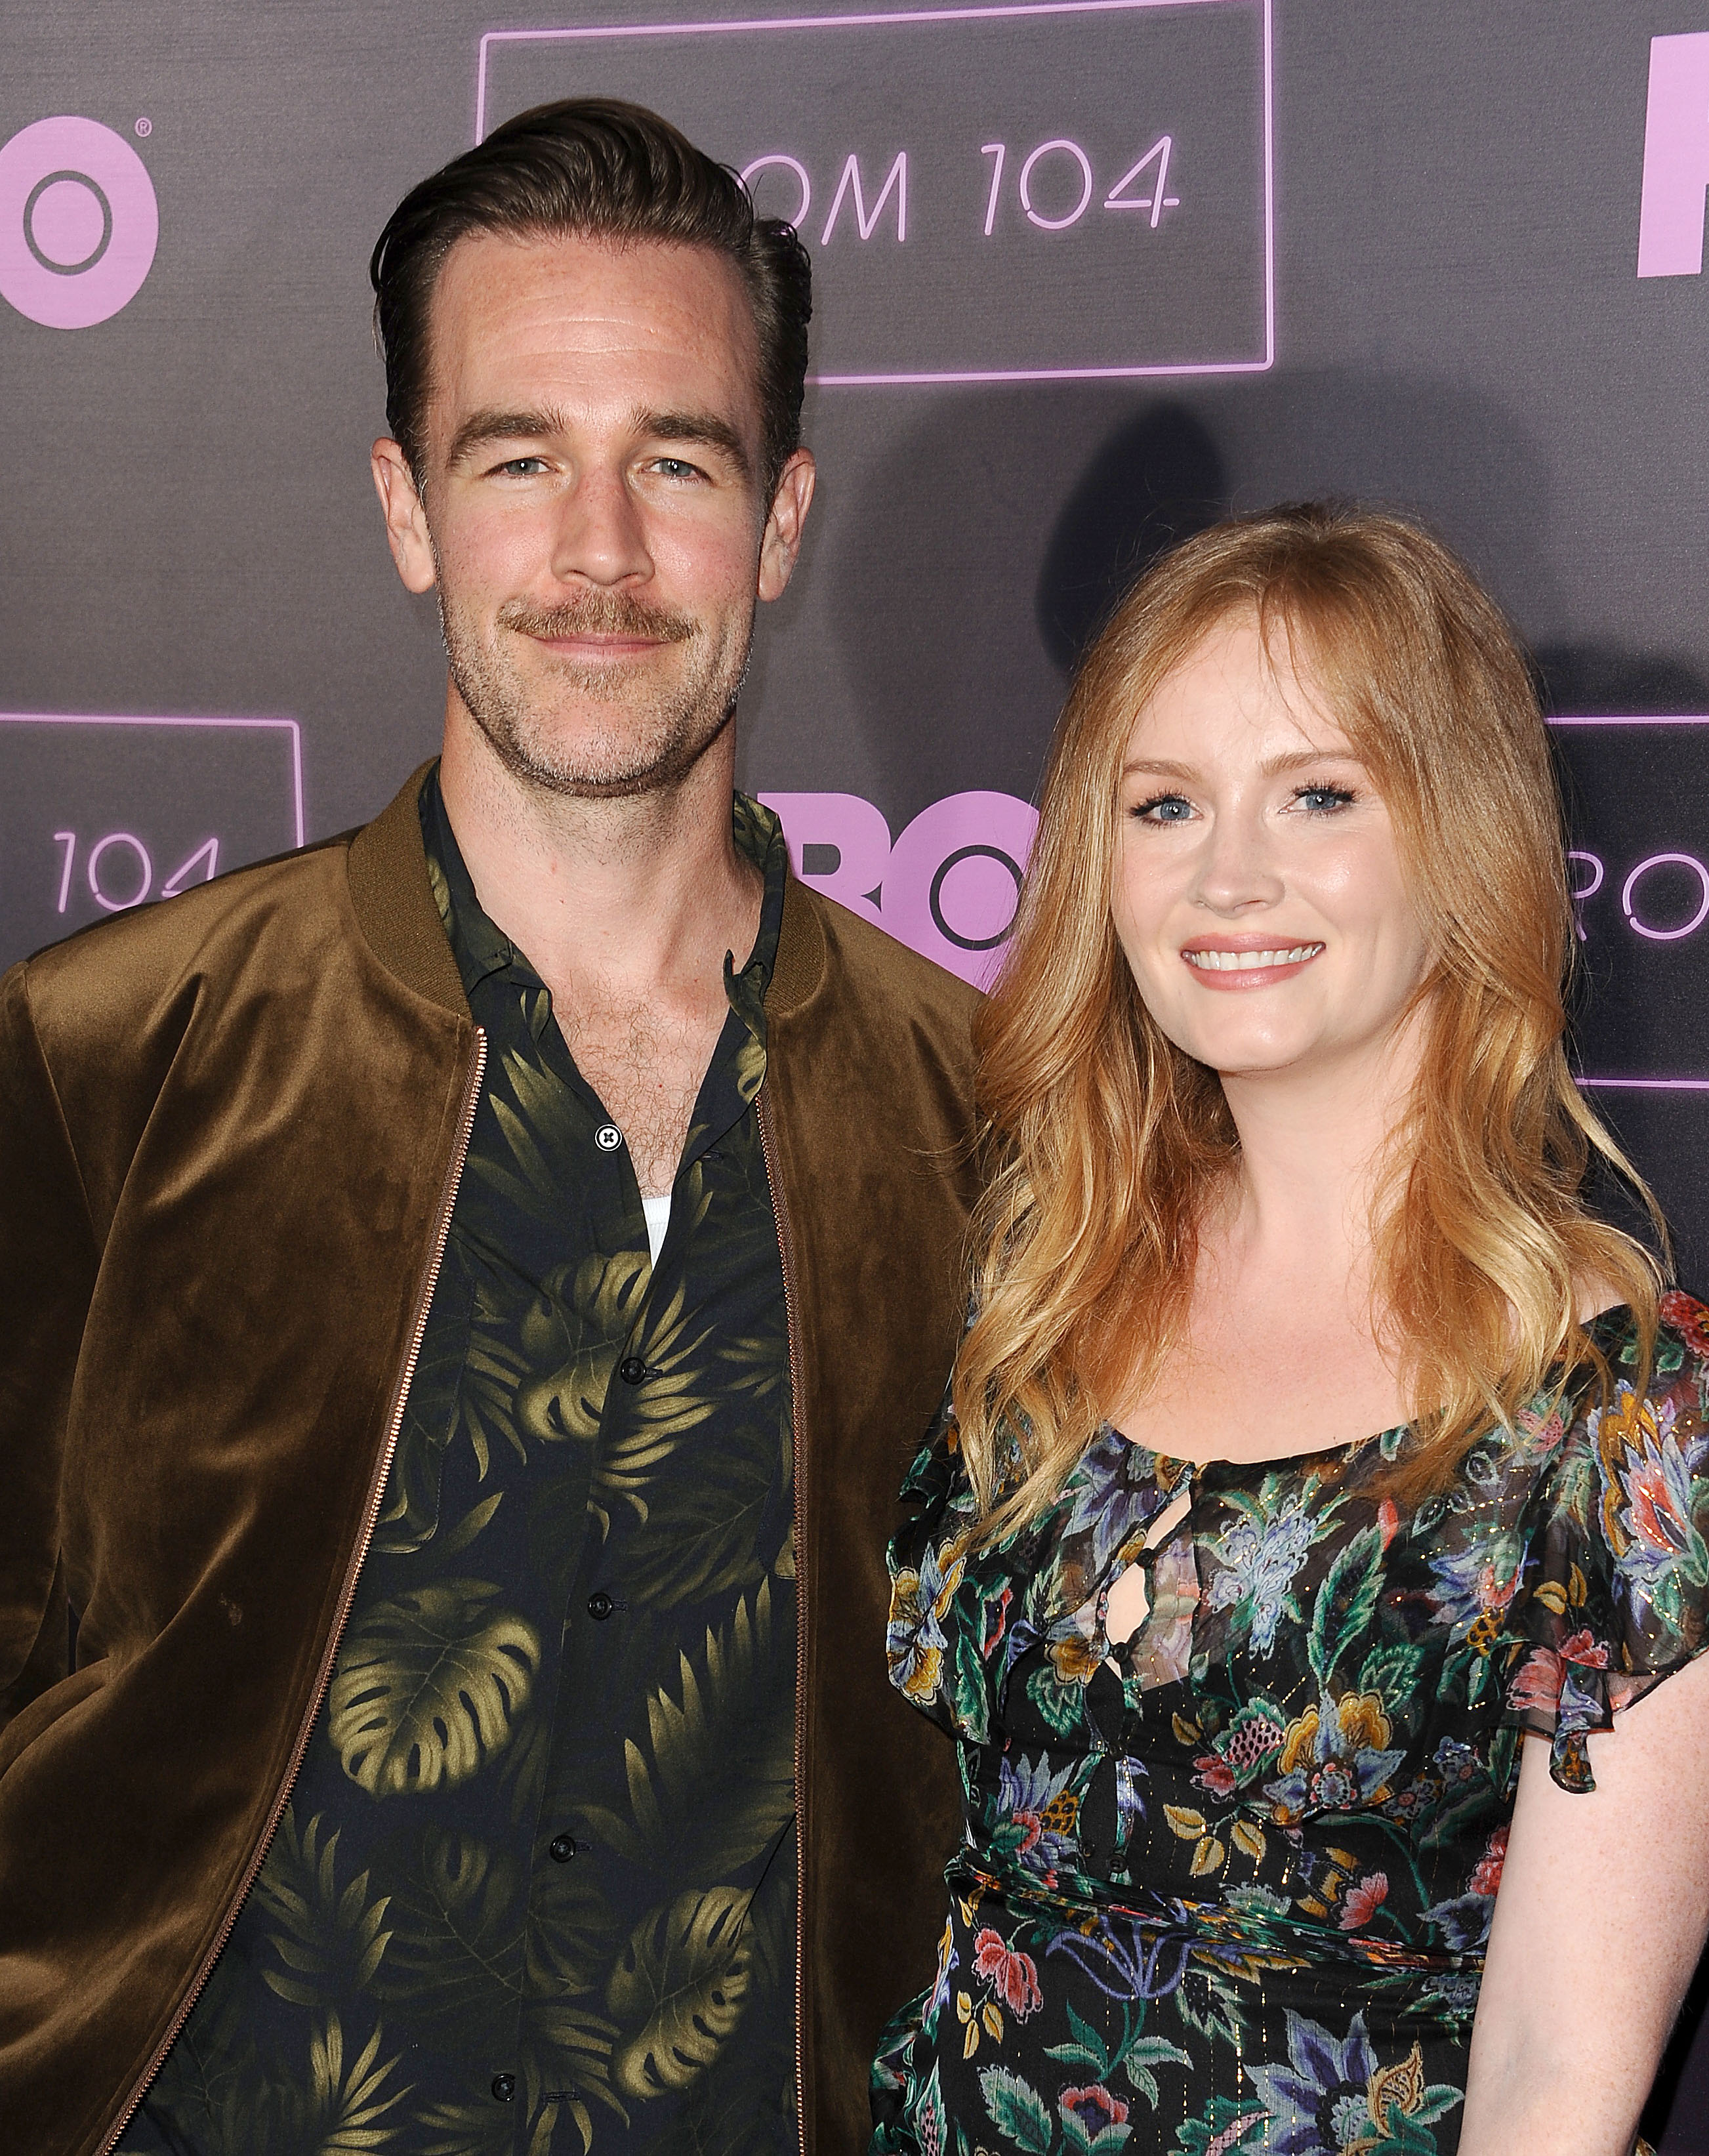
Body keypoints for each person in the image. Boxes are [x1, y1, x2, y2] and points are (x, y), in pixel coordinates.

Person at [0, 100, 978, 2156]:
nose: (602, 554)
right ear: (405, 506)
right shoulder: (108, 1053)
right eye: (519, 457)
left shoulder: (985, 1115)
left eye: (677, 464)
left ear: (782, 522)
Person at [873, 503, 1709, 2156]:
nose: (1229, 873)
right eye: (1165, 803)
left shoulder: (1633, 1416)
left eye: (1319, 793)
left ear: (1463, 834)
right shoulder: (1053, 1296)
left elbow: (1558, 2084)